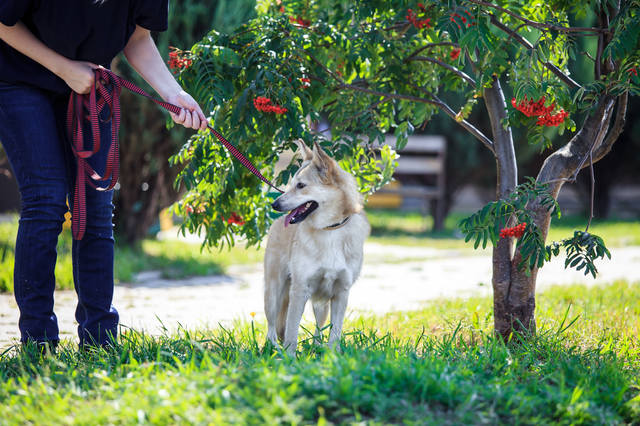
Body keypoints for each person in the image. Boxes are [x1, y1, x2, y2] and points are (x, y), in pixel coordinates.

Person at [0, 0, 207, 349]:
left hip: (86, 85)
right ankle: (37, 341)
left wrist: (174, 94)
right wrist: (64, 69)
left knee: (96, 207)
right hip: (17, 79)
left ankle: (100, 339)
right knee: (46, 200)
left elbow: (137, 39)